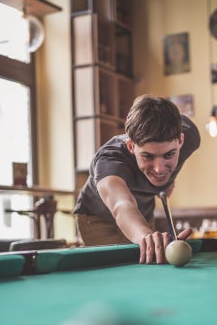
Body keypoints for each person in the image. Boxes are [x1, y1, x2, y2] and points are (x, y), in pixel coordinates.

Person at [74, 94, 201, 264]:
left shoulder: (190, 136)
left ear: (180, 141)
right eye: (148, 157)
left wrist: (168, 181)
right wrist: (146, 236)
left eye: (169, 155)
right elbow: (122, 205)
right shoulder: (109, 160)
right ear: (131, 146)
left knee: (151, 265)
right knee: (118, 274)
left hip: (143, 214)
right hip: (99, 220)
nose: (159, 168)